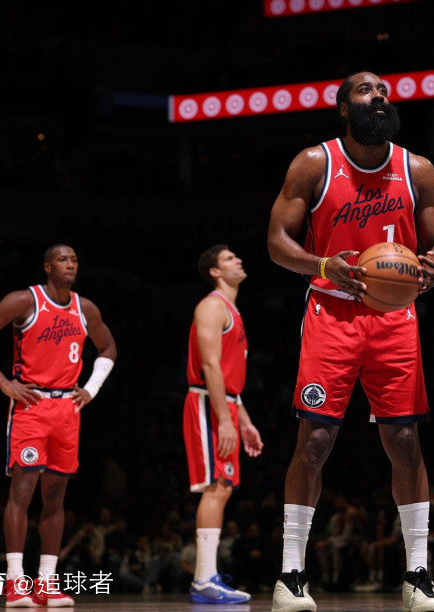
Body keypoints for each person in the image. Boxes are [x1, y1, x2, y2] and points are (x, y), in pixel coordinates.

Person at [267, 70, 434, 612]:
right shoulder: (314, 163)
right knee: (315, 442)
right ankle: (291, 575)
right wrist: (323, 264)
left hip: (395, 317)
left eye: (383, 91)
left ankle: (418, 575)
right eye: (366, 91)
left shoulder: (417, 169)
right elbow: (277, 242)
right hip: (332, 311)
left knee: (405, 442)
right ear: (344, 108)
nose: (379, 97)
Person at [0, 244, 116, 607]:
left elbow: (108, 347)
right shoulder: (24, 300)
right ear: (47, 267)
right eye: (63, 259)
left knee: (56, 499)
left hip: (68, 410)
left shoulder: (86, 308)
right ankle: (15, 581)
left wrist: (91, 388)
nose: (70, 264)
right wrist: (4, 383)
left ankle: (46, 583)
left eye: (74, 259)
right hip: (32, 405)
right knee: (22, 493)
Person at [184, 245, 264, 604]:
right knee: (215, 487)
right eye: (230, 258)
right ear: (215, 271)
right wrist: (225, 419)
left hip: (225, 403)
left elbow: (230, 379)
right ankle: (203, 579)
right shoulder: (212, 306)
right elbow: (210, 367)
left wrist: (242, 421)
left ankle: (207, 578)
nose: (239, 260)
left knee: (223, 489)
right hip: (207, 402)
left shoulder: (232, 310)